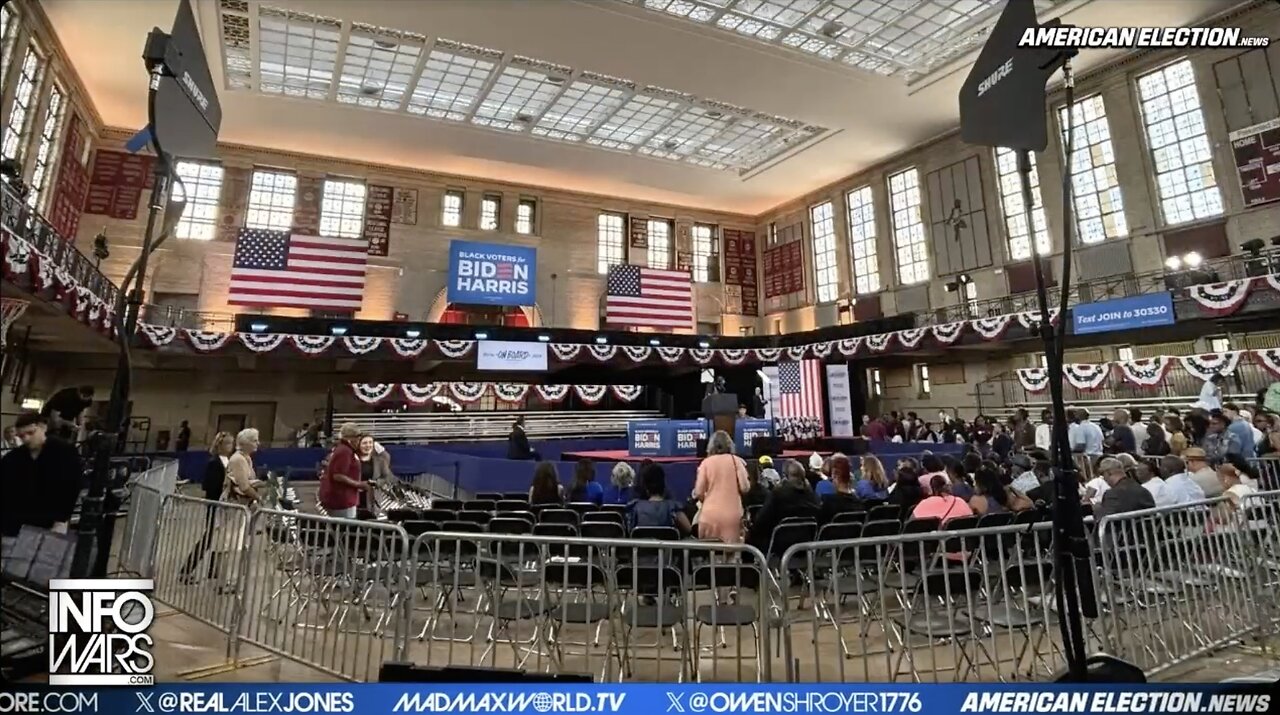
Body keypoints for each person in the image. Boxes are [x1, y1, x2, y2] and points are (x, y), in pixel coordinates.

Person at [0, 412, 83, 537]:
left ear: (43, 427)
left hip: (49, 520)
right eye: (22, 436)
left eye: (30, 433)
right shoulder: (13, 458)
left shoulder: (64, 452)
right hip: (16, 523)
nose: (26, 439)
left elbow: (71, 487)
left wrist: (61, 519)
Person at [180, 432, 234, 582]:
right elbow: (209, 485)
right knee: (208, 539)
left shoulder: (228, 461)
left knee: (220, 539)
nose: (231, 446)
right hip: (215, 504)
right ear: (220, 445)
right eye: (228, 443)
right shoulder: (214, 463)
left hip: (224, 505)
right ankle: (186, 571)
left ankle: (213, 570)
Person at [747, 461, 820, 550]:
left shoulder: (777, 495)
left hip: (780, 546)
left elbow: (760, 521)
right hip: (808, 544)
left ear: (784, 477)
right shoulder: (813, 496)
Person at [693, 430, 749, 544]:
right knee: (731, 554)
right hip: (732, 516)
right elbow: (745, 487)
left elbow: (698, 492)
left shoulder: (705, 463)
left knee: (710, 553)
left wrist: (706, 500)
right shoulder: (736, 461)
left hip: (709, 515)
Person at [317, 423, 368, 518]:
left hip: (343, 498)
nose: (359, 440)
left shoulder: (345, 450)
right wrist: (358, 484)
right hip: (341, 500)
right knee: (344, 529)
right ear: (350, 438)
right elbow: (338, 475)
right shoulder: (344, 451)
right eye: (357, 437)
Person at [629, 464, 691, 535]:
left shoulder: (635, 507)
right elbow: (688, 529)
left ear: (646, 487)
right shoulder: (674, 508)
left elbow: (629, 532)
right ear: (663, 484)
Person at [223, 428, 264, 507]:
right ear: (246, 442)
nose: (258, 443)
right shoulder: (238, 459)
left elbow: (249, 480)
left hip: (244, 503)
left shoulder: (247, 458)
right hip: (235, 504)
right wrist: (259, 498)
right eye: (254, 441)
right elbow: (244, 486)